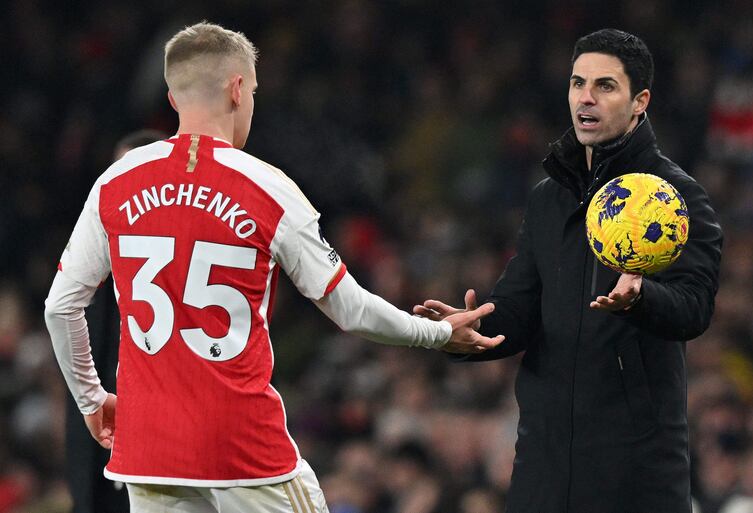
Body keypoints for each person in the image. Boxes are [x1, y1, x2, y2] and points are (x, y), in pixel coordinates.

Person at [44, 22, 503, 513]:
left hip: (150, 451)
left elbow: (60, 307)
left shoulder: (117, 180)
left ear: (174, 99)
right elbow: (349, 309)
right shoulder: (267, 188)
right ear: (239, 89)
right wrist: (434, 334)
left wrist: (92, 401)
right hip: (243, 448)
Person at [415, 29, 723, 513]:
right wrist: (473, 331)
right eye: (578, 83)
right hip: (545, 457)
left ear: (639, 100)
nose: (586, 97)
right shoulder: (547, 198)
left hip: (636, 464)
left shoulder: (673, 197)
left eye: (605, 86)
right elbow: (521, 306)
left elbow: (695, 307)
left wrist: (641, 300)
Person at [64, 129, 166, 513]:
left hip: (161, 456)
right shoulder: (88, 261)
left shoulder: (181, 272)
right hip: (97, 454)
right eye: (113, 173)